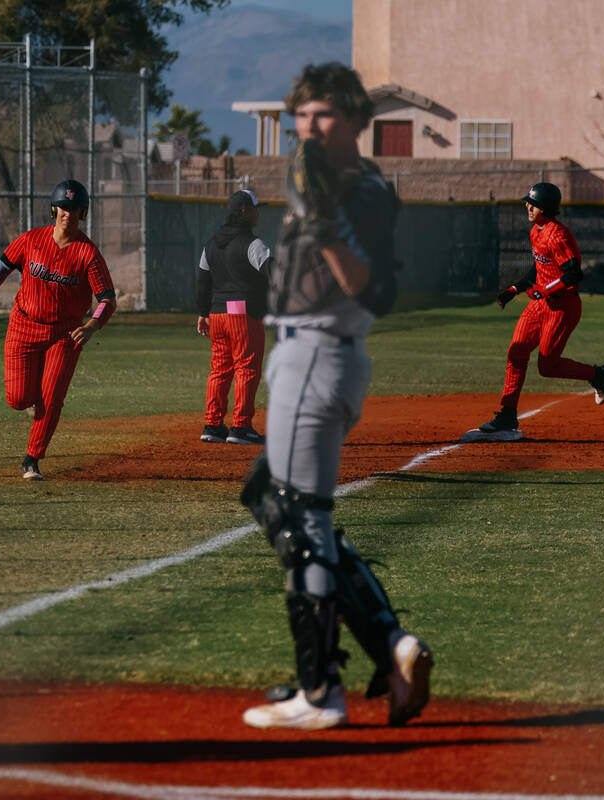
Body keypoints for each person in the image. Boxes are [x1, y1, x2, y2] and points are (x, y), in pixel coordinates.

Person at [239, 62, 432, 731]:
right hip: (310, 354)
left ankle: (319, 692)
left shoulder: (363, 191)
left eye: (324, 114)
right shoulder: (320, 178)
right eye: (302, 113)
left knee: (300, 517)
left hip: (319, 351)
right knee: (268, 495)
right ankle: (390, 645)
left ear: (355, 121)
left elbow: (372, 290)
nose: (309, 126)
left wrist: (323, 224)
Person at [0, 179, 116, 480]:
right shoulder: (32, 240)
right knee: (19, 399)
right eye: (63, 206)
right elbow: (2, 267)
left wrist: (91, 326)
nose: (68, 213)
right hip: (23, 325)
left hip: (65, 333)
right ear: (53, 208)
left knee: (52, 396)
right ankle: (30, 402)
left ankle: (32, 459)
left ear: (83, 212)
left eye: (74, 208)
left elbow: (107, 299)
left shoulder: (87, 253)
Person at [464, 182, 604, 442]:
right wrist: (514, 288)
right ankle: (507, 414)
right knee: (516, 351)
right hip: (540, 305)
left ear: (544, 208)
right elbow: (538, 267)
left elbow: (574, 273)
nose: (527, 207)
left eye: (532, 204)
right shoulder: (536, 231)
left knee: (548, 365)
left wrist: (543, 291)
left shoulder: (558, 235)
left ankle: (598, 374)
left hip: (562, 306)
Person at [196, 189, 272, 446]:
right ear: (244, 212)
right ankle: (241, 427)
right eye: (255, 208)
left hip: (216, 313)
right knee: (247, 367)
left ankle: (213, 425)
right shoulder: (253, 243)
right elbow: (274, 274)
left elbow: (202, 281)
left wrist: (202, 313)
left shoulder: (211, 243)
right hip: (242, 313)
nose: (258, 212)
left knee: (219, 368)